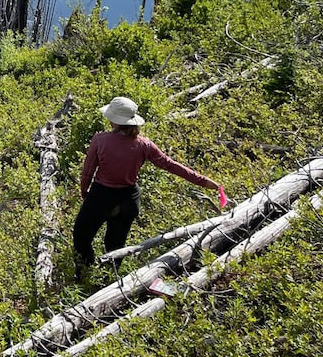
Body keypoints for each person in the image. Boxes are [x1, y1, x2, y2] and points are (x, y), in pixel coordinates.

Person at [73, 96, 218, 278]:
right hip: (129, 200)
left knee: (81, 237)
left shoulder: (100, 140)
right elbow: (170, 164)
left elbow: (88, 171)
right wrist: (202, 180)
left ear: (114, 120)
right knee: (116, 244)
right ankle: (109, 277)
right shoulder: (144, 144)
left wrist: (84, 191)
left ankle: (84, 274)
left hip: (101, 196)